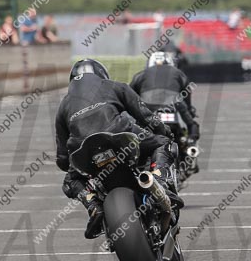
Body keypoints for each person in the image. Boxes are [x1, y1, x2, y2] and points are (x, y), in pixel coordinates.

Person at [55, 59, 182, 239]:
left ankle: (92, 205)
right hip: (119, 135)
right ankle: (160, 180)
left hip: (83, 150)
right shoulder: (114, 86)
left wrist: (74, 168)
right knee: (163, 143)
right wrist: (165, 132)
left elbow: (61, 158)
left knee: (70, 181)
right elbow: (145, 115)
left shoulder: (64, 104)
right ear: (101, 74)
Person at [130, 52, 200, 144]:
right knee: (191, 125)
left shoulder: (140, 75)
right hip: (173, 104)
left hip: (148, 109)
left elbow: (129, 96)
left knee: (132, 124)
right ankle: (190, 145)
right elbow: (187, 93)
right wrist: (190, 110)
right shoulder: (178, 73)